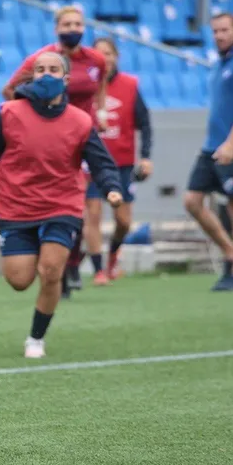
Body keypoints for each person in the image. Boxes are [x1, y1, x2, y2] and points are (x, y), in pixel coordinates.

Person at [0, 52, 122, 358]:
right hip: (16, 208)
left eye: (53, 69)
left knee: (51, 270)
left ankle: (36, 338)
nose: (46, 74)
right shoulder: (10, 113)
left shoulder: (81, 121)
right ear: (31, 76)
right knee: (19, 279)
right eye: (40, 69)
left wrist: (112, 188)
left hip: (62, 204)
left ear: (66, 79)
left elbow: (102, 164)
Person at [4, 6, 108, 295]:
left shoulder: (97, 59)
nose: (73, 28)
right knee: (59, 205)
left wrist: (100, 111)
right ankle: (58, 267)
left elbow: (99, 88)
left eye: (78, 23)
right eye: (67, 23)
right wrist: (30, 115)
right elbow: (9, 90)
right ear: (56, 27)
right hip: (51, 141)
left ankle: (70, 264)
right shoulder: (41, 60)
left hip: (83, 140)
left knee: (88, 208)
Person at [183, 12, 233, 292]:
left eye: (224, 30)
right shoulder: (218, 64)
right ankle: (230, 250)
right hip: (211, 147)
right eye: (215, 31)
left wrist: (232, 143)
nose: (219, 35)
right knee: (192, 201)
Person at [83, 38, 153, 284]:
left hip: (122, 163)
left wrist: (146, 157)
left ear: (116, 57)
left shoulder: (130, 86)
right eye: (99, 53)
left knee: (123, 221)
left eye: (109, 53)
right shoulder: (85, 86)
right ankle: (98, 270)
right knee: (92, 214)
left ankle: (112, 257)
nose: (105, 58)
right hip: (91, 163)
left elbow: (145, 124)